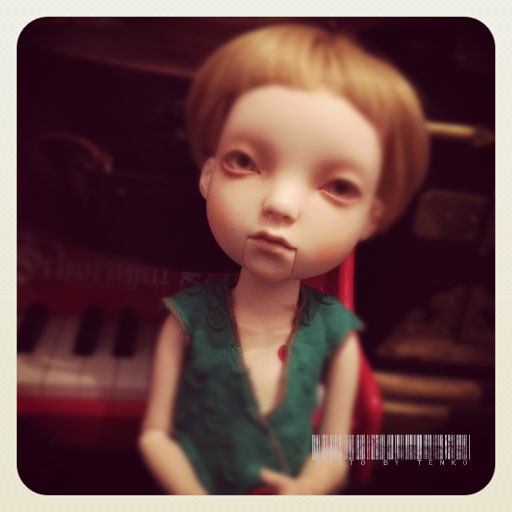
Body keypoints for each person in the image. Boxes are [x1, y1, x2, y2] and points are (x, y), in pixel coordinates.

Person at [138, 23, 429, 495]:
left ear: (370, 219)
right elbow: (156, 434)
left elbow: (335, 450)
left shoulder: (336, 335)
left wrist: (307, 490)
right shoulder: (187, 319)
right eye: (243, 161)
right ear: (208, 175)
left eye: (339, 187)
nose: (281, 204)